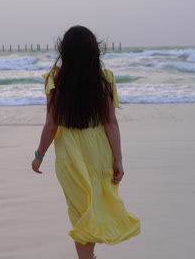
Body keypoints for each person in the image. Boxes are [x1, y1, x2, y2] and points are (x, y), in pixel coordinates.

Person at [31, 25, 140, 259]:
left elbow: (52, 124)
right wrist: (118, 160)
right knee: (96, 209)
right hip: (100, 154)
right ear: (94, 52)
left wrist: (39, 156)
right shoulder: (104, 80)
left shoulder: (55, 80)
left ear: (64, 51)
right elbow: (111, 123)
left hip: (71, 158)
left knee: (80, 212)